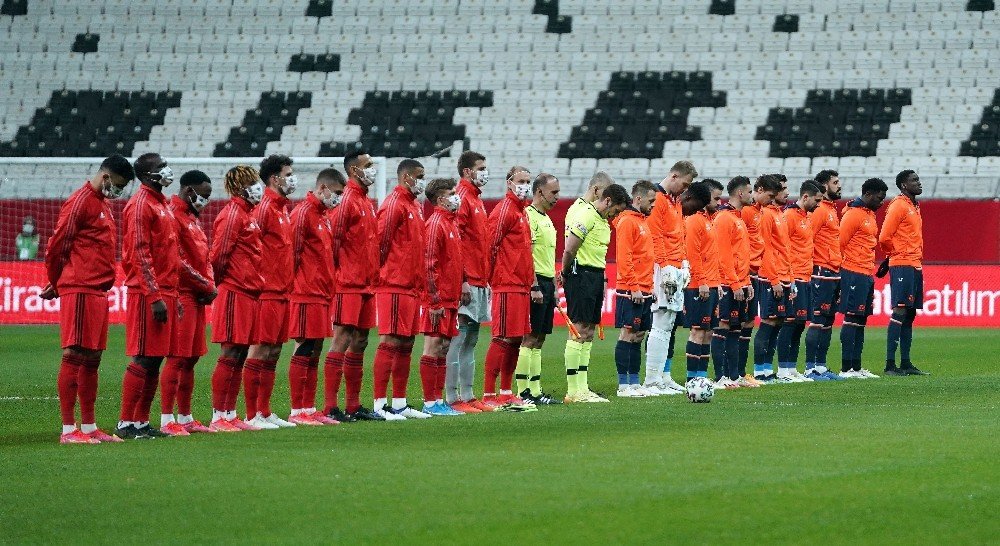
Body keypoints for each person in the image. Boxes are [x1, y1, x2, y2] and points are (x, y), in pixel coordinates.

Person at [42, 154, 134, 444]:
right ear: (105, 177)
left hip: (97, 290)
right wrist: (56, 281)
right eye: (117, 185)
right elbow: (58, 244)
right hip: (80, 287)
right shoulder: (80, 201)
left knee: (93, 358)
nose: (118, 192)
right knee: (75, 354)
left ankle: (90, 426)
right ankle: (70, 430)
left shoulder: (102, 204)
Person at [117, 153, 188, 440]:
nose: (166, 170)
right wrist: (154, 295)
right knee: (144, 358)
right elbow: (139, 253)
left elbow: (168, 253)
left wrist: (173, 294)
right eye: (160, 167)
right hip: (148, 293)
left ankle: (142, 422)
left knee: (156, 359)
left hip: (165, 291)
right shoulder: (140, 204)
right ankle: (125, 422)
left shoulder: (162, 204)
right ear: (147, 175)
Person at [245, 154, 313, 429]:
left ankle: (264, 410)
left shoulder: (282, 209)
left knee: (273, 352)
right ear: (274, 178)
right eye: (288, 173)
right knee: (260, 350)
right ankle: (251, 414)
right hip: (266, 291)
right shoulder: (263, 208)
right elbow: (252, 250)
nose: (292, 178)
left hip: (283, 291)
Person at [325, 150, 383, 422]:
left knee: (360, 341)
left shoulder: (364, 200)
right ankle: (330, 406)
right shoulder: (346, 200)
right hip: (348, 283)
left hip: (367, 285)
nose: (372, 169)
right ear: (353, 171)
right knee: (342, 338)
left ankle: (353, 405)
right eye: (367, 165)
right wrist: (340, 273)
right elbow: (333, 240)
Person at [561, 177, 630, 403]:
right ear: (607, 200)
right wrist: (565, 272)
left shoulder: (601, 220)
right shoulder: (586, 214)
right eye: (616, 210)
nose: (615, 215)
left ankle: (583, 387)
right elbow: (570, 249)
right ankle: (574, 390)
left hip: (595, 276)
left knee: (589, 330)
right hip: (580, 274)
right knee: (579, 329)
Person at [160, 170, 218, 435]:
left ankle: (185, 417)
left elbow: (202, 257)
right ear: (189, 190)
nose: (206, 200)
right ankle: (166, 418)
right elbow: (177, 260)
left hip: (196, 295)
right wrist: (205, 284)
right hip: (182, 294)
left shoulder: (191, 218)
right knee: (178, 357)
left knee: (192, 358)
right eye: (204, 195)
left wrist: (208, 285)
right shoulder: (173, 216)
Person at [208, 165, 266, 432]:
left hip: (249, 291)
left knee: (240, 353)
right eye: (253, 182)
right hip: (234, 291)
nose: (258, 186)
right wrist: (225, 282)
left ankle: (230, 414)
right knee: (230, 351)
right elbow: (219, 255)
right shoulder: (232, 214)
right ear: (241, 186)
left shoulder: (248, 214)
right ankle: (219, 415)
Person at [288, 168, 346, 426]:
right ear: (322, 188)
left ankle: (309, 408)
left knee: (315, 349)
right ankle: (297, 410)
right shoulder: (302, 214)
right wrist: (296, 286)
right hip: (304, 292)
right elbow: (292, 255)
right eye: (336, 193)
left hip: (322, 293)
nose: (338, 198)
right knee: (304, 346)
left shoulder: (324, 216)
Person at [372, 159, 429, 420]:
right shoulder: (394, 203)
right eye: (419, 176)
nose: (422, 181)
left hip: (410, 285)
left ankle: (399, 402)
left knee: (406, 342)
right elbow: (380, 243)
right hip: (394, 284)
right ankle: (379, 404)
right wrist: (387, 274)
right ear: (406, 177)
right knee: (390, 341)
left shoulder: (415, 205)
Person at [644, 160, 699, 394]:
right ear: (674, 176)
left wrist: (684, 262)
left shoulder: (674, 201)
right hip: (662, 267)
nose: (685, 190)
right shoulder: (657, 198)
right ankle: (651, 379)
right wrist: (665, 266)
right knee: (660, 322)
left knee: (669, 324)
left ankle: (663, 376)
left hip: (675, 267)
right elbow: (656, 236)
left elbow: (678, 236)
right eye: (684, 184)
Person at [482, 166, 535, 408]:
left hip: (520, 284)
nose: (524, 185)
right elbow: (489, 245)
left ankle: (505, 392)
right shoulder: (504, 210)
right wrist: (493, 278)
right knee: (502, 337)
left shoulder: (521, 211)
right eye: (520, 181)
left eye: (528, 181)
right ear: (509, 183)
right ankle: (489, 394)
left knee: (515, 339)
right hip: (506, 283)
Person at [444, 150, 493, 412]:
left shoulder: (475, 198)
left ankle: (468, 395)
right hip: (468, 279)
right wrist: (462, 279)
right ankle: (453, 398)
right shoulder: (461, 197)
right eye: (481, 167)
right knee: (460, 337)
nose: (485, 171)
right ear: (467, 172)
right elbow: (456, 241)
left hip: (479, 278)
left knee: (472, 338)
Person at [419, 178, 465, 415]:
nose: (456, 196)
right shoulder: (436, 223)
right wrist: (434, 300)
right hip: (438, 300)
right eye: (452, 193)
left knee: (444, 346)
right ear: (440, 199)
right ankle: (430, 402)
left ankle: (438, 400)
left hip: (450, 297)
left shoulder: (451, 222)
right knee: (433, 345)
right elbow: (428, 264)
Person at [516, 173, 562, 405]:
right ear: (539, 192)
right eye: (553, 192)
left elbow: (547, 257)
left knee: (540, 338)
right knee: (530, 337)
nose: (557, 197)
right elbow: (527, 255)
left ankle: (535, 390)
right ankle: (523, 390)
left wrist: (552, 286)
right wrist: (534, 285)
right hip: (534, 283)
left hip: (546, 282)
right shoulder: (529, 216)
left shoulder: (547, 220)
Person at [838, 177, 889, 378]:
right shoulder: (853, 215)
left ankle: (856, 367)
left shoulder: (869, 215)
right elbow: (839, 243)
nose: (881, 202)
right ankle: (846, 368)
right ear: (867, 195)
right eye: (879, 198)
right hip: (852, 271)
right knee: (851, 319)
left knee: (860, 320)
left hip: (866, 272)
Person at [880, 170, 929, 376]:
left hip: (915, 264)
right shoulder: (899, 205)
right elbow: (884, 237)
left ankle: (906, 363)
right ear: (903, 186)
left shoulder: (914, 206)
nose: (919, 183)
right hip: (903, 263)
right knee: (900, 310)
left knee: (909, 313)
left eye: (918, 179)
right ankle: (890, 365)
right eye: (914, 180)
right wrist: (895, 255)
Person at [613, 180, 657, 397]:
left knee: (639, 334)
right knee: (628, 333)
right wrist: (634, 286)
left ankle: (634, 382)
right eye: (651, 200)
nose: (654, 205)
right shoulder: (627, 222)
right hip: (631, 288)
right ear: (638, 199)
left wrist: (649, 286)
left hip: (644, 286)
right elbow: (625, 257)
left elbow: (644, 257)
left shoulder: (642, 221)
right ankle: (623, 385)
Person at [712, 176, 757, 388]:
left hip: (739, 281)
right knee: (723, 326)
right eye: (750, 192)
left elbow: (742, 255)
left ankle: (733, 375)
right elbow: (723, 255)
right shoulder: (724, 218)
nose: (752, 195)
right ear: (740, 193)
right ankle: (720, 377)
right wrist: (734, 283)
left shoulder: (737, 218)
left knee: (735, 327)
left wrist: (745, 281)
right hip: (726, 282)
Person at [775, 180, 822, 382]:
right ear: (805, 197)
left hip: (806, 275)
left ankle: (792, 367)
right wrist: (789, 276)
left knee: (800, 322)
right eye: (816, 200)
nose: (819, 204)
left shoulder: (806, 217)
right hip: (793, 276)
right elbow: (782, 248)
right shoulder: (789, 216)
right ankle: (783, 369)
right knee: (790, 322)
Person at [804, 169, 846, 381]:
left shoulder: (831, 209)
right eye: (835, 182)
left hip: (833, 270)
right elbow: (806, 238)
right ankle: (810, 367)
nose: (840, 185)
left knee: (828, 320)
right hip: (820, 271)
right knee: (818, 320)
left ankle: (820, 366)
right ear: (824, 185)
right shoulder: (820, 210)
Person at [752, 174, 793, 384]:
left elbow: (783, 248)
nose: (785, 192)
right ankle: (760, 369)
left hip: (783, 274)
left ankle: (768, 369)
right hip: (771, 276)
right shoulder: (767, 214)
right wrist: (774, 278)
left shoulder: (779, 214)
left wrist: (790, 277)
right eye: (782, 189)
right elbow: (765, 248)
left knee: (778, 322)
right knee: (768, 321)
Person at [682, 180, 724, 385]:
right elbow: (693, 254)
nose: (717, 202)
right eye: (715, 198)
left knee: (708, 332)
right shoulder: (694, 220)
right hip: (699, 285)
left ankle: (701, 376)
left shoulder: (709, 220)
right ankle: (692, 378)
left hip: (712, 283)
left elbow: (711, 254)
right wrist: (702, 281)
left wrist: (717, 282)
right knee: (698, 330)